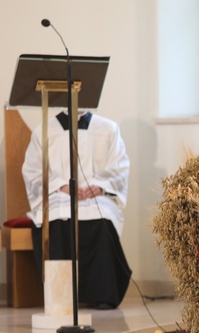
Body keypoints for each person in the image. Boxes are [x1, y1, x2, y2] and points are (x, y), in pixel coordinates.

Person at [22, 110, 131, 309]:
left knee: (102, 217)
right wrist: (61, 185)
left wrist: (100, 186)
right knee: (58, 217)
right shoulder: (44, 131)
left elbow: (120, 167)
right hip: (59, 195)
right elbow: (33, 171)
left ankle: (104, 294)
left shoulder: (108, 128)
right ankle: (60, 294)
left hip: (96, 195)